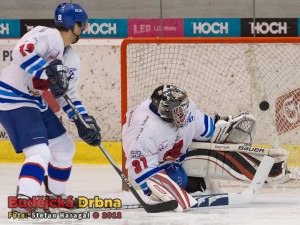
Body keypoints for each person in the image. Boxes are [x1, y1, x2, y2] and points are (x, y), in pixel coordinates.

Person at [0, 3, 101, 213]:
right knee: (39, 151)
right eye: (82, 25)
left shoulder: (71, 57)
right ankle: (24, 201)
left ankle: (55, 196)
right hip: (12, 95)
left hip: (34, 100)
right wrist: (47, 72)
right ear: (74, 25)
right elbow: (20, 53)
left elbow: (67, 95)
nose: (82, 30)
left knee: (65, 147)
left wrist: (82, 120)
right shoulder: (47, 34)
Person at [122, 84, 216, 211]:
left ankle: (197, 181)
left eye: (184, 108)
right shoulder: (142, 131)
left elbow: (207, 131)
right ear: (165, 110)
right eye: (179, 111)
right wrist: (160, 191)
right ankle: (193, 183)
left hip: (177, 154)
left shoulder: (183, 109)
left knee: (209, 145)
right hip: (160, 166)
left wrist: (222, 127)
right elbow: (146, 178)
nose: (184, 114)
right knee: (179, 180)